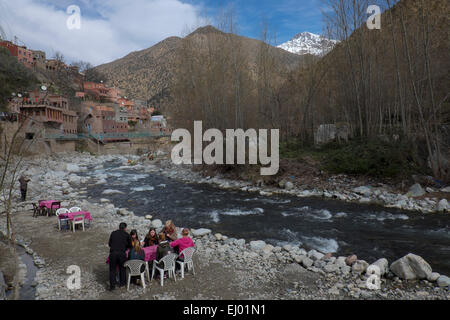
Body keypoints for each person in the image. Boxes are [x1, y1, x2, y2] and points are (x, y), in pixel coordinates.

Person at [108, 222, 132, 291]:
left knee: (112, 270)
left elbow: (110, 244)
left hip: (113, 253)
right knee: (122, 268)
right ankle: (122, 283)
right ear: (125, 228)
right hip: (122, 254)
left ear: (119, 227)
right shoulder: (127, 235)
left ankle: (112, 287)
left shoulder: (113, 233)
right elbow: (130, 246)